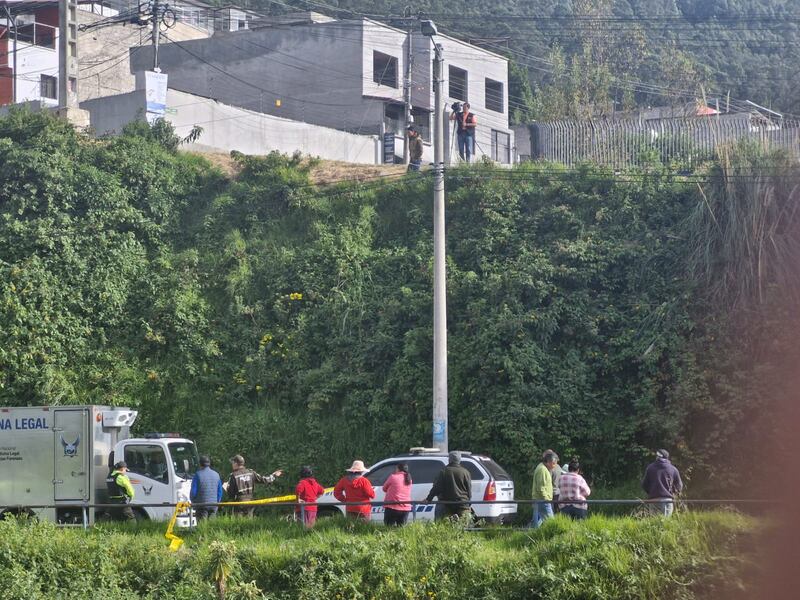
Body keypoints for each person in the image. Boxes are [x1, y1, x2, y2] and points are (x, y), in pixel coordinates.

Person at [425, 452, 472, 521]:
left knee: (442, 525)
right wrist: (468, 502)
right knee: (464, 528)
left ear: (449, 459)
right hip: (463, 504)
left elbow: (436, 488)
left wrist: (428, 499)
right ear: (459, 460)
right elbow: (469, 490)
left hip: (446, 505)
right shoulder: (466, 472)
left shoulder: (444, 471)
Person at [641, 449, 683, 517]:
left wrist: (651, 492)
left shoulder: (650, 468)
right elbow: (679, 486)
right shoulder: (673, 469)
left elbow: (644, 485)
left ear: (657, 457)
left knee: (654, 523)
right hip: (667, 500)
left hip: (653, 499)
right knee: (665, 523)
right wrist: (672, 492)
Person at [531, 450, 558, 528]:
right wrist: (546, 499)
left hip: (542, 500)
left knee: (537, 523)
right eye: (554, 463)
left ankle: (535, 536)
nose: (555, 466)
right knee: (552, 523)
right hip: (543, 500)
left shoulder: (543, 468)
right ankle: (552, 537)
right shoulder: (542, 470)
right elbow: (541, 488)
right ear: (549, 462)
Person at [191, 455, 223, 520]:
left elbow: (193, 492)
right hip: (214, 504)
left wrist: (193, 501)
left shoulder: (198, 475)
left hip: (201, 505)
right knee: (212, 526)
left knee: (202, 527)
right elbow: (220, 491)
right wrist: (217, 502)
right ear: (209, 463)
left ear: (200, 464)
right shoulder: (216, 474)